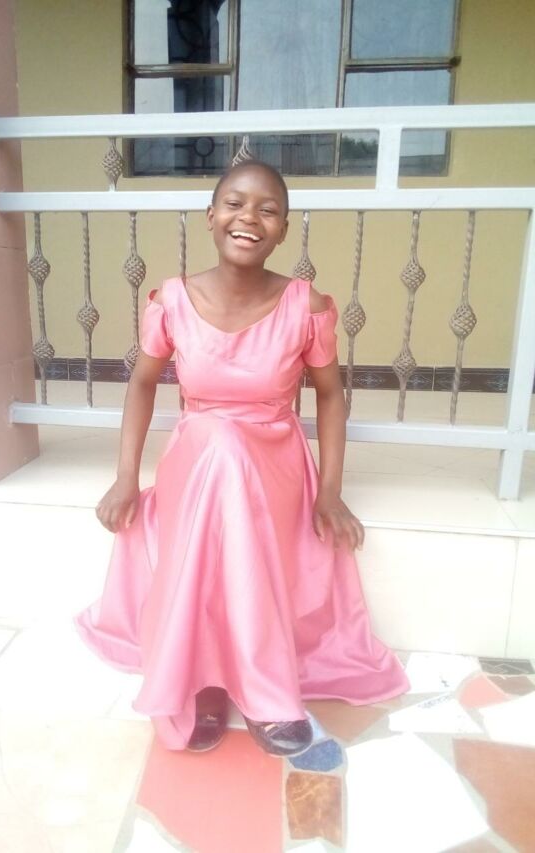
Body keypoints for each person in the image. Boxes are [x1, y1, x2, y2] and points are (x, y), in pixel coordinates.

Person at [76, 159, 409, 756]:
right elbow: (143, 383)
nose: (248, 217)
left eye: (268, 210)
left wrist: (330, 490)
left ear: (283, 230)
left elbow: (330, 395)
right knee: (221, 451)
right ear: (210, 216)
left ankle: (230, 681)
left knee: (230, 462)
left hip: (274, 457)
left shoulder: (306, 305)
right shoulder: (171, 300)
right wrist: (126, 478)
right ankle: (230, 681)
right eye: (234, 203)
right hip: (200, 452)